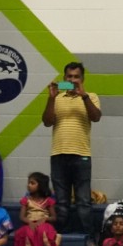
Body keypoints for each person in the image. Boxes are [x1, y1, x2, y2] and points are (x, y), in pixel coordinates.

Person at [42, 62, 101, 233]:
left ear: (82, 79)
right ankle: (61, 238)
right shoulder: (57, 98)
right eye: (69, 77)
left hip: (81, 155)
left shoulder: (91, 96)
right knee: (61, 202)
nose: (73, 80)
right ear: (64, 78)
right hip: (58, 154)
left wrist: (83, 96)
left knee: (83, 201)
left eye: (76, 77)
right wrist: (51, 98)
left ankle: (89, 237)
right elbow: (47, 122)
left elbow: (96, 117)